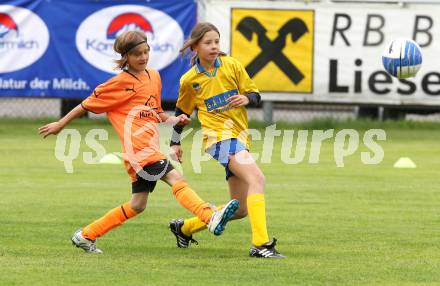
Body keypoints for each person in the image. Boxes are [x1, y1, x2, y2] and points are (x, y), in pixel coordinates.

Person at [38, 30, 239, 254]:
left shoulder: (153, 76)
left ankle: (86, 235)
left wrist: (175, 119)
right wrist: (61, 124)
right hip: (138, 150)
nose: (143, 57)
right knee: (176, 177)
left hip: (148, 148)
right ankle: (208, 216)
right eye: (136, 54)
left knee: (137, 205)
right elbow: (86, 104)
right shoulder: (119, 83)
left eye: (146, 52)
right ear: (126, 57)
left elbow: (157, 113)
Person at [168, 23, 285, 258]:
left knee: (240, 209)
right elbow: (182, 113)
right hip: (218, 140)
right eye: (208, 43)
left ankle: (184, 228)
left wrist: (246, 98)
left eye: (216, 42)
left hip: (239, 138)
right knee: (257, 178)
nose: (213, 47)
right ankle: (261, 244)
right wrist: (175, 142)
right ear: (195, 47)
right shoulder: (190, 80)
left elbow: (255, 95)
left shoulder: (232, 65)